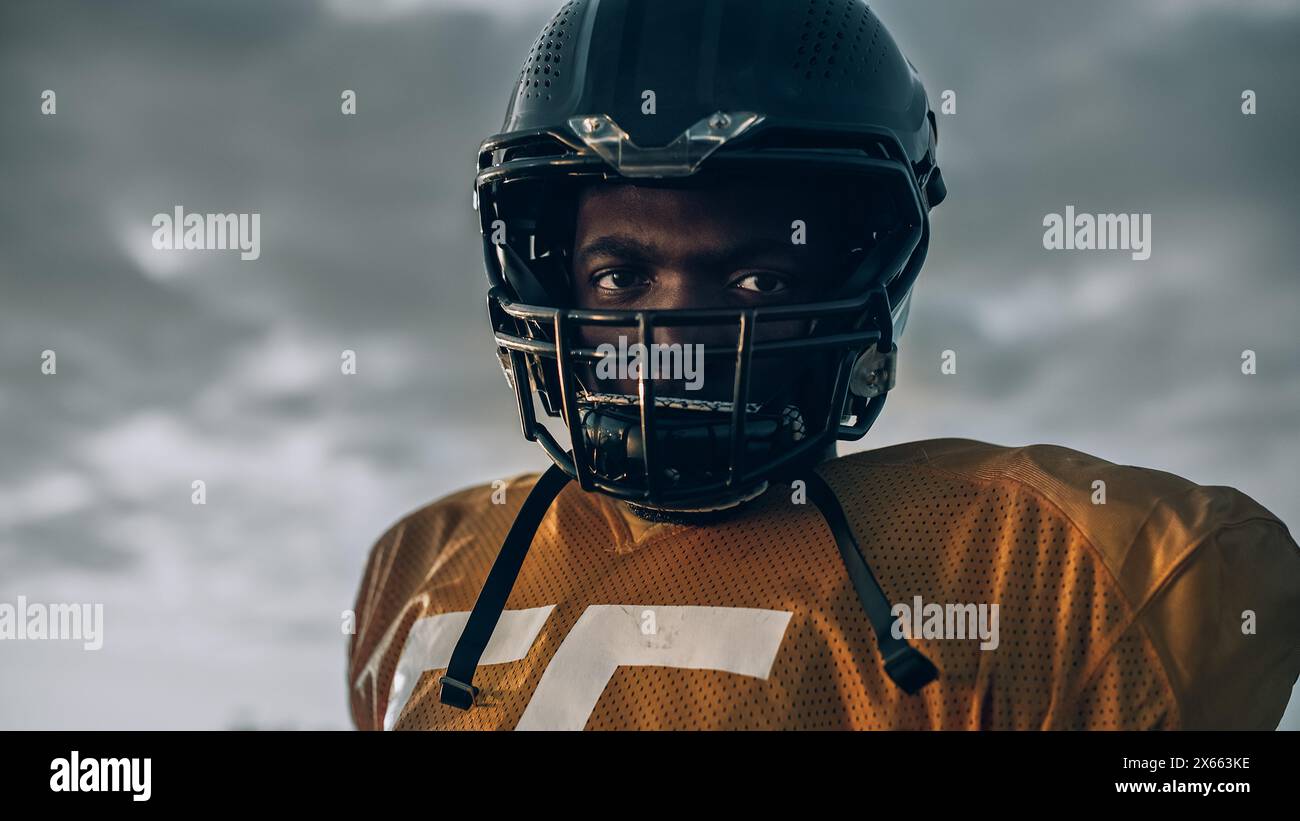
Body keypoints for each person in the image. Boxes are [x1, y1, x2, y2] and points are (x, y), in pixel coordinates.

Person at [348, 0, 1299, 730]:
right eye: (622, 273)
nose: (677, 332)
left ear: (861, 274)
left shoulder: (1050, 571)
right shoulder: (422, 566)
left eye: (758, 276)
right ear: (553, 277)